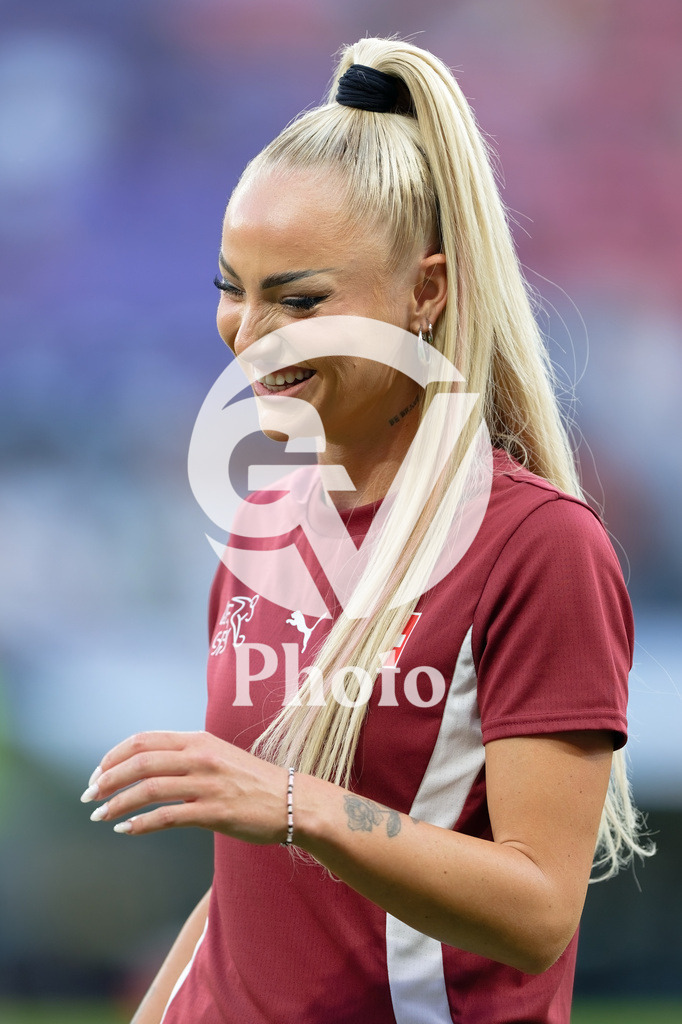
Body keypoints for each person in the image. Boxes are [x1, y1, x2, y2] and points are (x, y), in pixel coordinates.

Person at [81, 37, 653, 1024]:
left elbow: (537, 908)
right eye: (232, 287)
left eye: (299, 298)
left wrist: (293, 805)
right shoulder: (261, 525)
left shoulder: (538, 548)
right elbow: (255, 892)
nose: (250, 332)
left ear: (425, 292)